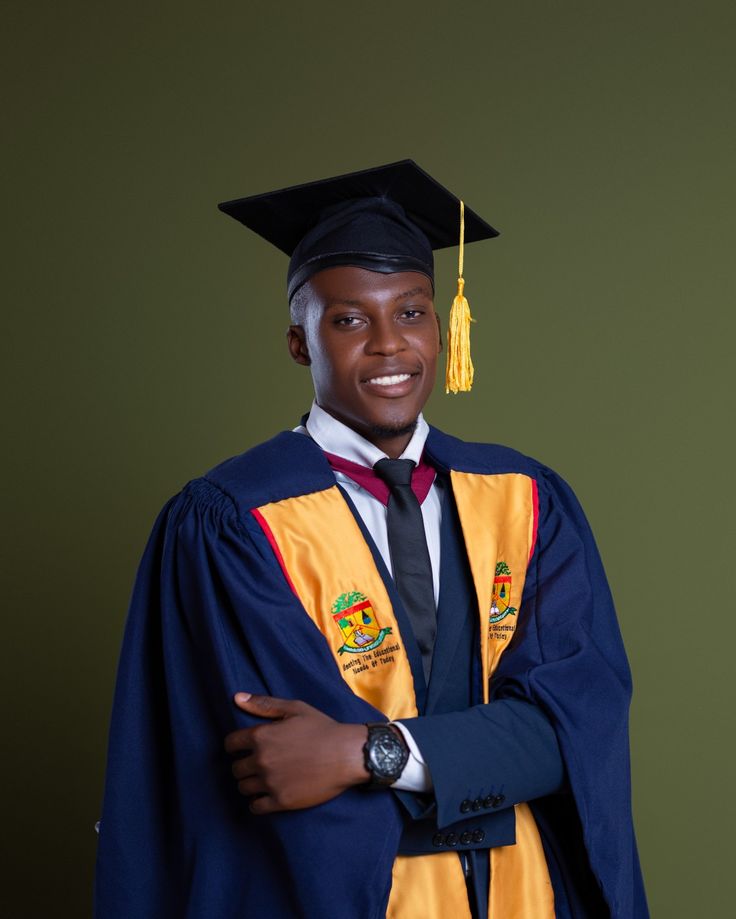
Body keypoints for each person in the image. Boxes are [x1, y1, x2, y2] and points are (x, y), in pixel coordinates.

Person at [94, 161, 648, 918]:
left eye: (412, 312)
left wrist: (364, 753)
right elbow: (282, 770)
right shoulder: (233, 522)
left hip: (524, 898)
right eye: (349, 319)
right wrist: (481, 751)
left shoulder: (525, 500)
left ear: (443, 323)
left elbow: (570, 730)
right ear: (300, 342)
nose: (389, 345)